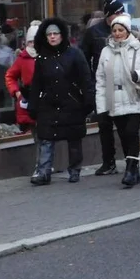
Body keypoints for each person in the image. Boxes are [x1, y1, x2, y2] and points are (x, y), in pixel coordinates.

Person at [95, 13, 140, 188]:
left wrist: (137, 74)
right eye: (114, 30)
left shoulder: (139, 48)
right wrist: (101, 106)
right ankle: (133, 168)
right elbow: (100, 80)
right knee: (124, 135)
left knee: (132, 132)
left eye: (120, 30)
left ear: (127, 31)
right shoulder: (106, 51)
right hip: (114, 99)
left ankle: (131, 170)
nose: (117, 33)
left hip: (135, 97)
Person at [27, 19, 95, 184]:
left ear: (62, 35)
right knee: (46, 138)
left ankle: (74, 170)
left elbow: (86, 79)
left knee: (73, 138)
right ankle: (43, 172)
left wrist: (88, 101)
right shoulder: (42, 57)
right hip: (49, 103)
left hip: (71, 102)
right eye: (49, 34)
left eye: (55, 33)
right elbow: (36, 83)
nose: (52, 37)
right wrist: (33, 104)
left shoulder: (75, 54)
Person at [80, 0, 127, 176]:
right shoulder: (94, 32)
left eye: (121, 12)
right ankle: (109, 162)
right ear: (108, 14)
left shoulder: (129, 30)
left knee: (125, 127)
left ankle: (131, 162)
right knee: (105, 127)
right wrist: (90, 82)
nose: (119, 15)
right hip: (102, 86)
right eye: (116, 12)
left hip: (123, 85)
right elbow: (83, 58)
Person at [5, 21, 39, 141]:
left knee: (46, 140)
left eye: (35, 41)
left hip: (45, 102)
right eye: (30, 41)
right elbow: (10, 76)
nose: (32, 44)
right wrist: (16, 92)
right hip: (28, 101)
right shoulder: (22, 59)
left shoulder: (47, 56)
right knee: (36, 138)